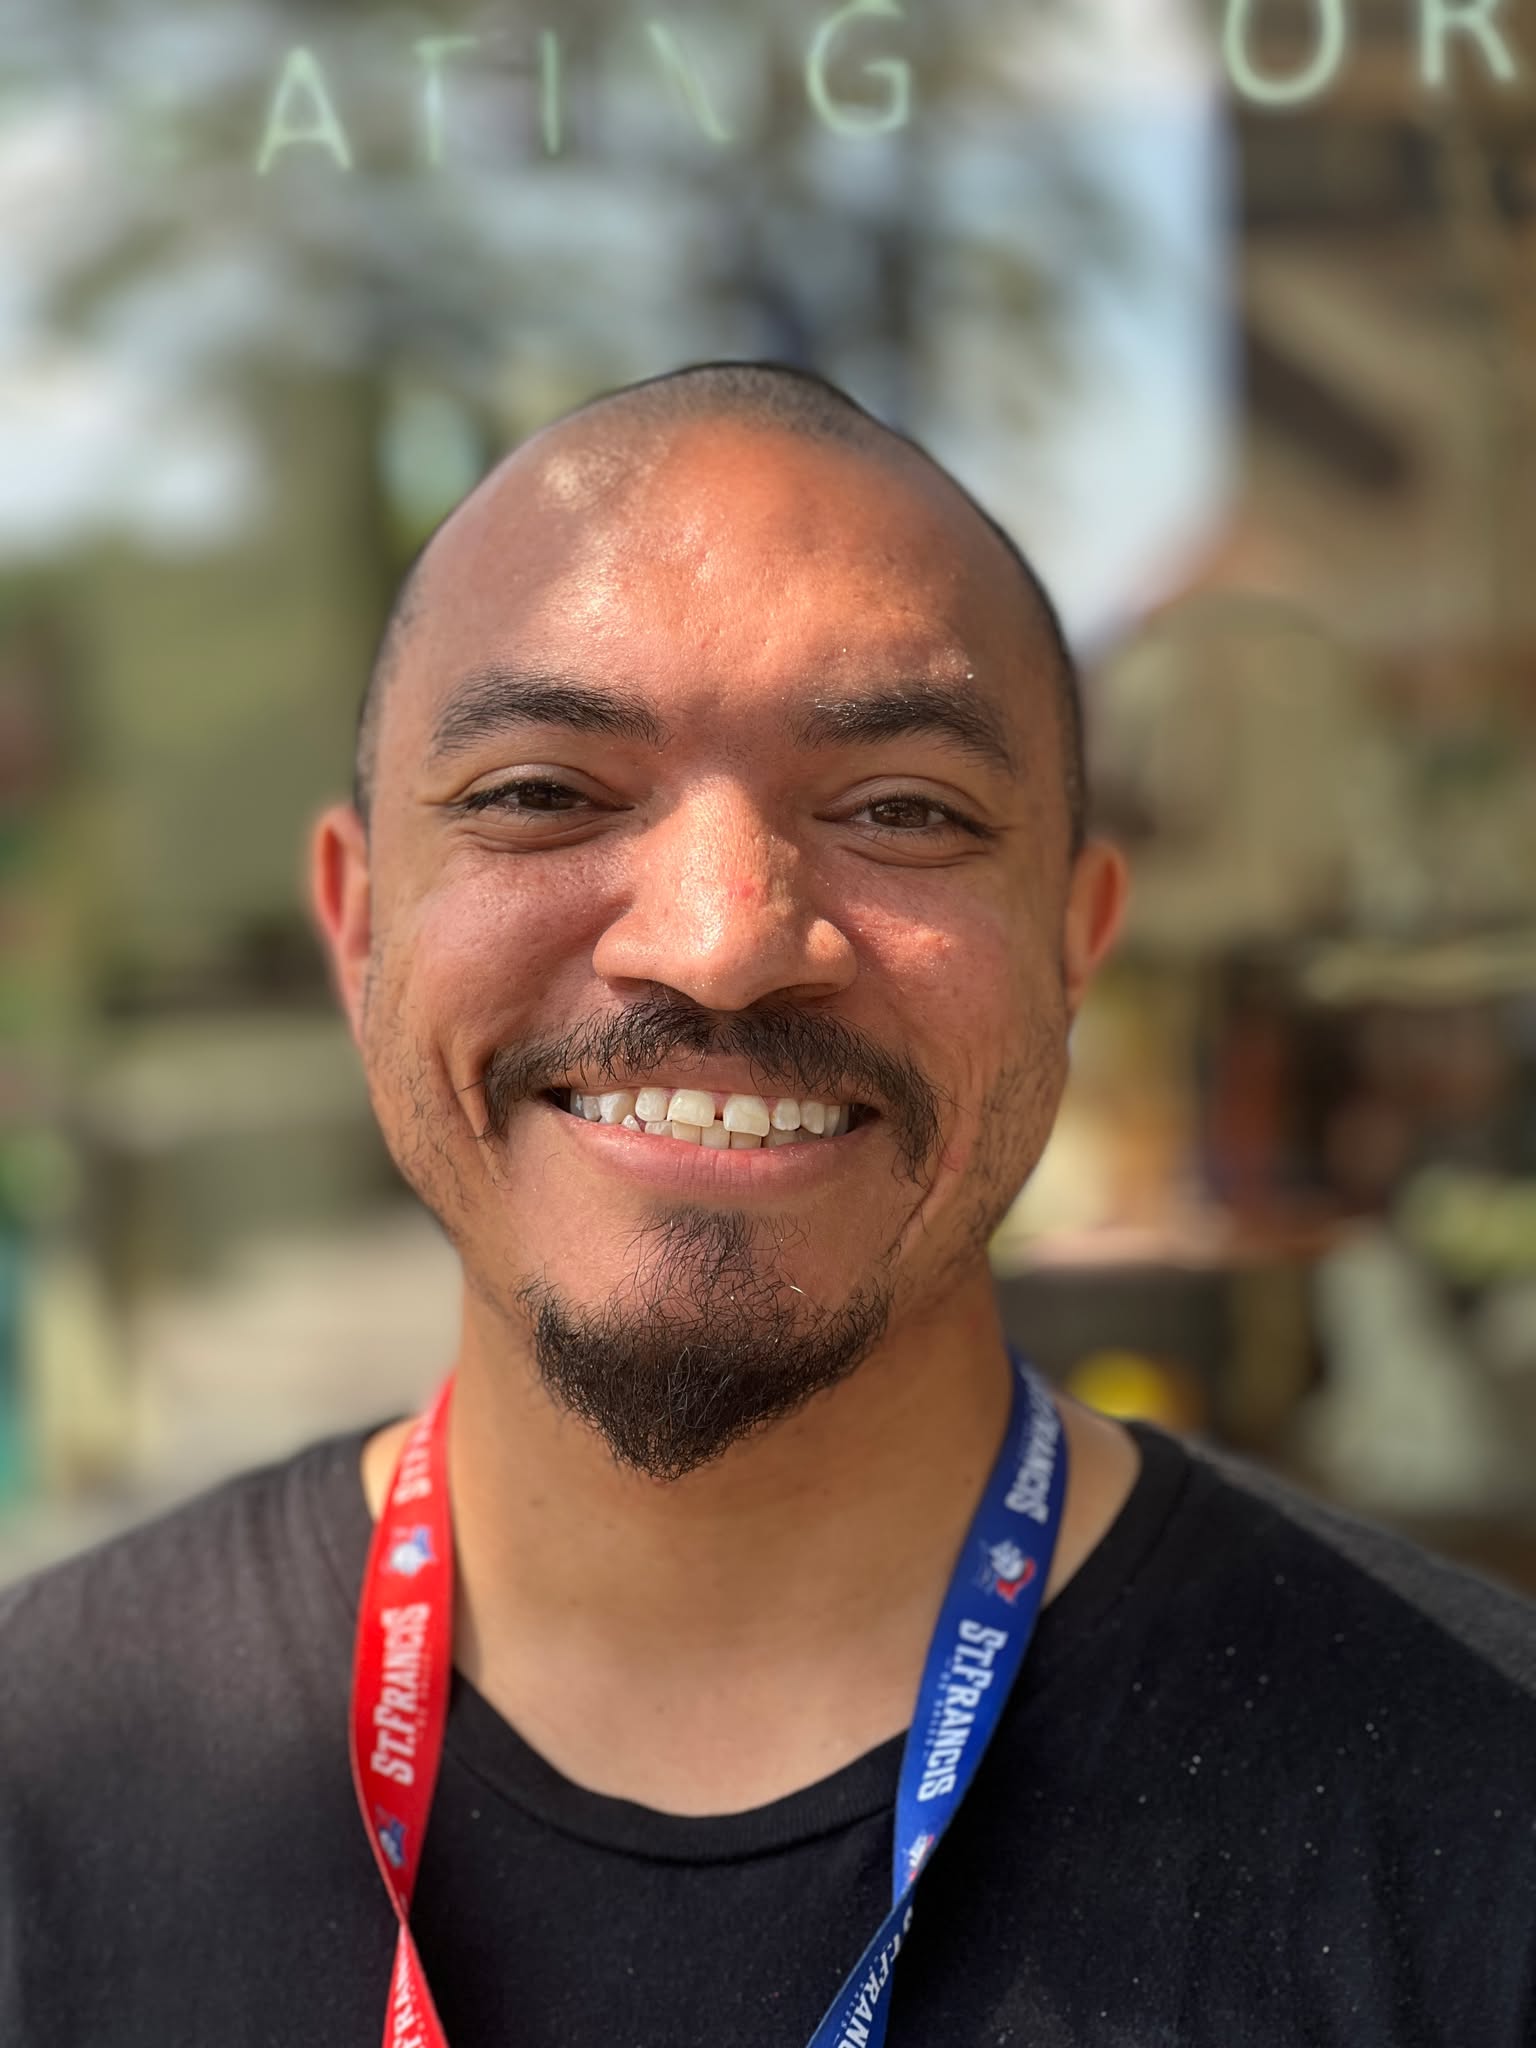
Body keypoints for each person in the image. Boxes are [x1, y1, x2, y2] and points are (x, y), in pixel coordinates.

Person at [2, 360, 1534, 2048]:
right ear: (357, 923)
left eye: (900, 811)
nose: (723, 935)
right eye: (540, 793)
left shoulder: (1480, 1809)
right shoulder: (39, 1773)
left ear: (1077, 943)